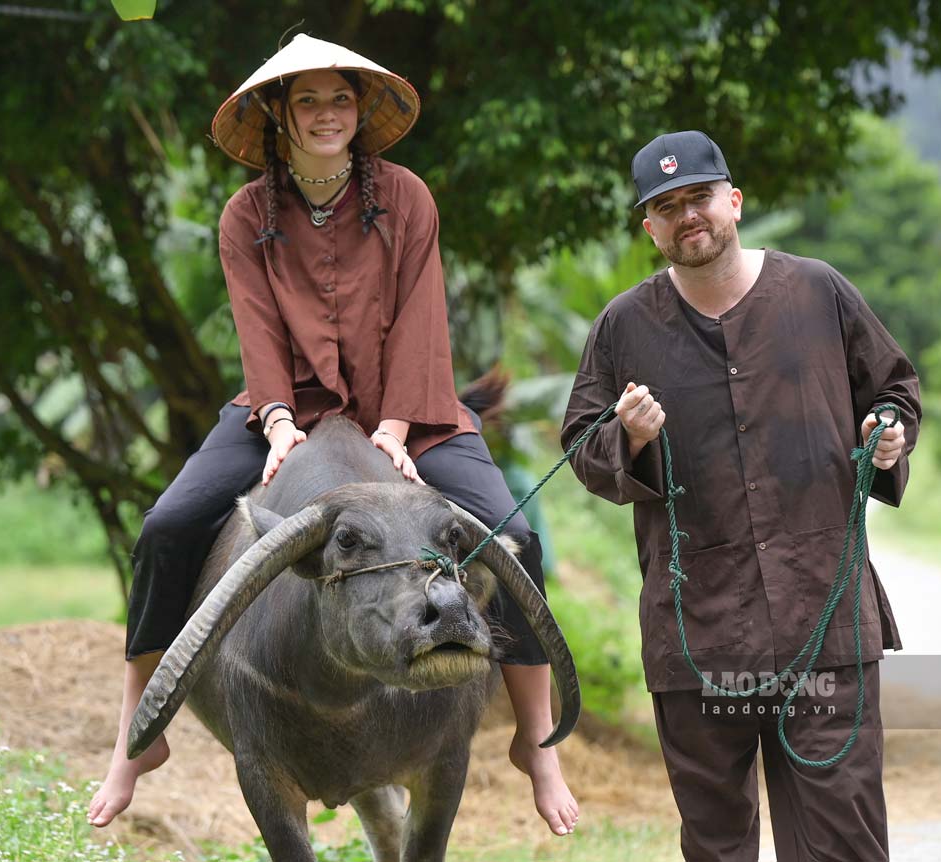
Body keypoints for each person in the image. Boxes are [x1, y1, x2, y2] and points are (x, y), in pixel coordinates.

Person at [88, 34, 578, 836]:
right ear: (279, 115)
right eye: (307, 101)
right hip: (284, 412)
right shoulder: (246, 214)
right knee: (167, 526)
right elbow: (254, 329)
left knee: (512, 532)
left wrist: (394, 427)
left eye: (339, 100)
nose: (325, 115)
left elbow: (423, 316)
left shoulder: (409, 197)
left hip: (411, 410)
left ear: (361, 110)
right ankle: (136, 738)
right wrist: (277, 423)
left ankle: (534, 739)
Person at [560, 129, 920, 861]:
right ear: (649, 227)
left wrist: (888, 433)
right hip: (698, 637)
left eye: (699, 197)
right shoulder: (623, 326)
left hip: (823, 623)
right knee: (718, 844)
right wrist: (626, 438)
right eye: (667, 206)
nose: (687, 216)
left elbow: (893, 390)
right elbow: (580, 446)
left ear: (734, 201)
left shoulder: (818, 290)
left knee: (842, 841)